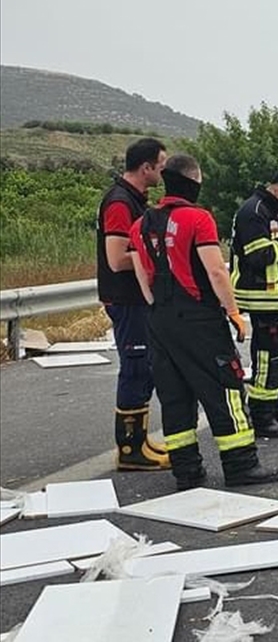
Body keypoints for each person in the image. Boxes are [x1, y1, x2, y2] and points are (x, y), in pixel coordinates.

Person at [128, 154, 278, 490]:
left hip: (160, 320)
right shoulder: (198, 219)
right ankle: (241, 464)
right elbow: (215, 272)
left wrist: (158, 310)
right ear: (193, 181)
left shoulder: (140, 225)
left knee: (175, 395)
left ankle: (187, 471)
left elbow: (142, 278)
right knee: (226, 389)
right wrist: (234, 312)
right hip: (199, 319)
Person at [96, 136, 170, 471]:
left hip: (137, 298)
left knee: (145, 368)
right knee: (136, 367)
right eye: (161, 165)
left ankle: (139, 440)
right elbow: (116, 258)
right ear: (146, 167)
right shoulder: (120, 203)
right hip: (126, 299)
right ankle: (129, 450)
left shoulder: (135, 200)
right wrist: (156, 256)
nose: (163, 171)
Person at [230, 169, 278, 438]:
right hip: (263, 297)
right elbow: (258, 255)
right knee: (269, 359)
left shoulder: (271, 211)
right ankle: (262, 416)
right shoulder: (254, 211)